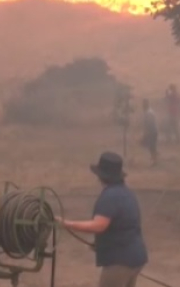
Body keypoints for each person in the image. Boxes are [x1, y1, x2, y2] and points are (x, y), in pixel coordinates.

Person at [58, 151, 148, 287]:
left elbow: (98, 226)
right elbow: (123, 225)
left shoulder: (110, 196)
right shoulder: (126, 193)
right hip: (135, 257)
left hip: (120, 262)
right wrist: (101, 243)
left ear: (100, 176)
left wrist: (66, 223)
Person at [140, 99, 158, 166]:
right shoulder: (147, 112)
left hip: (152, 132)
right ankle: (154, 159)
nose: (142, 106)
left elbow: (149, 124)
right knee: (151, 146)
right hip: (151, 132)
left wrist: (146, 133)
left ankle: (155, 160)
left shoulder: (149, 113)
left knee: (152, 146)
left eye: (144, 105)